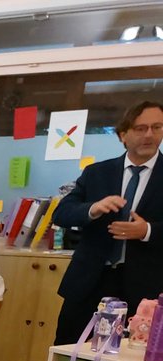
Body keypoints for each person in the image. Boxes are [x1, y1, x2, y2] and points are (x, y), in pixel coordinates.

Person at [53, 100, 163, 345]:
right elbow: (61, 213)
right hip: (90, 282)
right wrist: (92, 209)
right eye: (140, 128)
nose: (149, 135)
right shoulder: (96, 173)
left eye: (157, 127)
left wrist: (146, 230)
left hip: (145, 290)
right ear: (123, 134)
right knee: (69, 351)